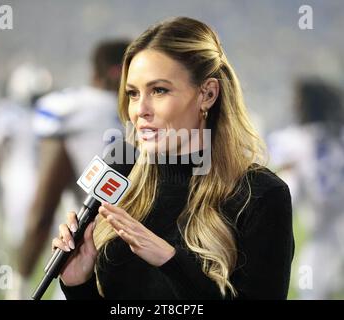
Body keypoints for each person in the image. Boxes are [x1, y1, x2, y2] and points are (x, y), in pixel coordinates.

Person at [52, 17, 294, 300]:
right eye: (132, 93)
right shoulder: (122, 185)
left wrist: (169, 260)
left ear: (208, 94)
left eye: (159, 90)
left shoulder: (261, 195)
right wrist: (79, 285)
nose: (140, 110)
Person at [12, 40, 130, 299]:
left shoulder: (73, 109)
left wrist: (19, 285)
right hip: (140, 262)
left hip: (87, 256)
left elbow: (44, 208)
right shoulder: (151, 115)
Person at [268, 79, 344, 299]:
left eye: (298, 100)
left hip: (322, 229)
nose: (294, 105)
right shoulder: (338, 135)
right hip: (333, 223)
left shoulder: (294, 140)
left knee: (307, 283)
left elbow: (279, 178)